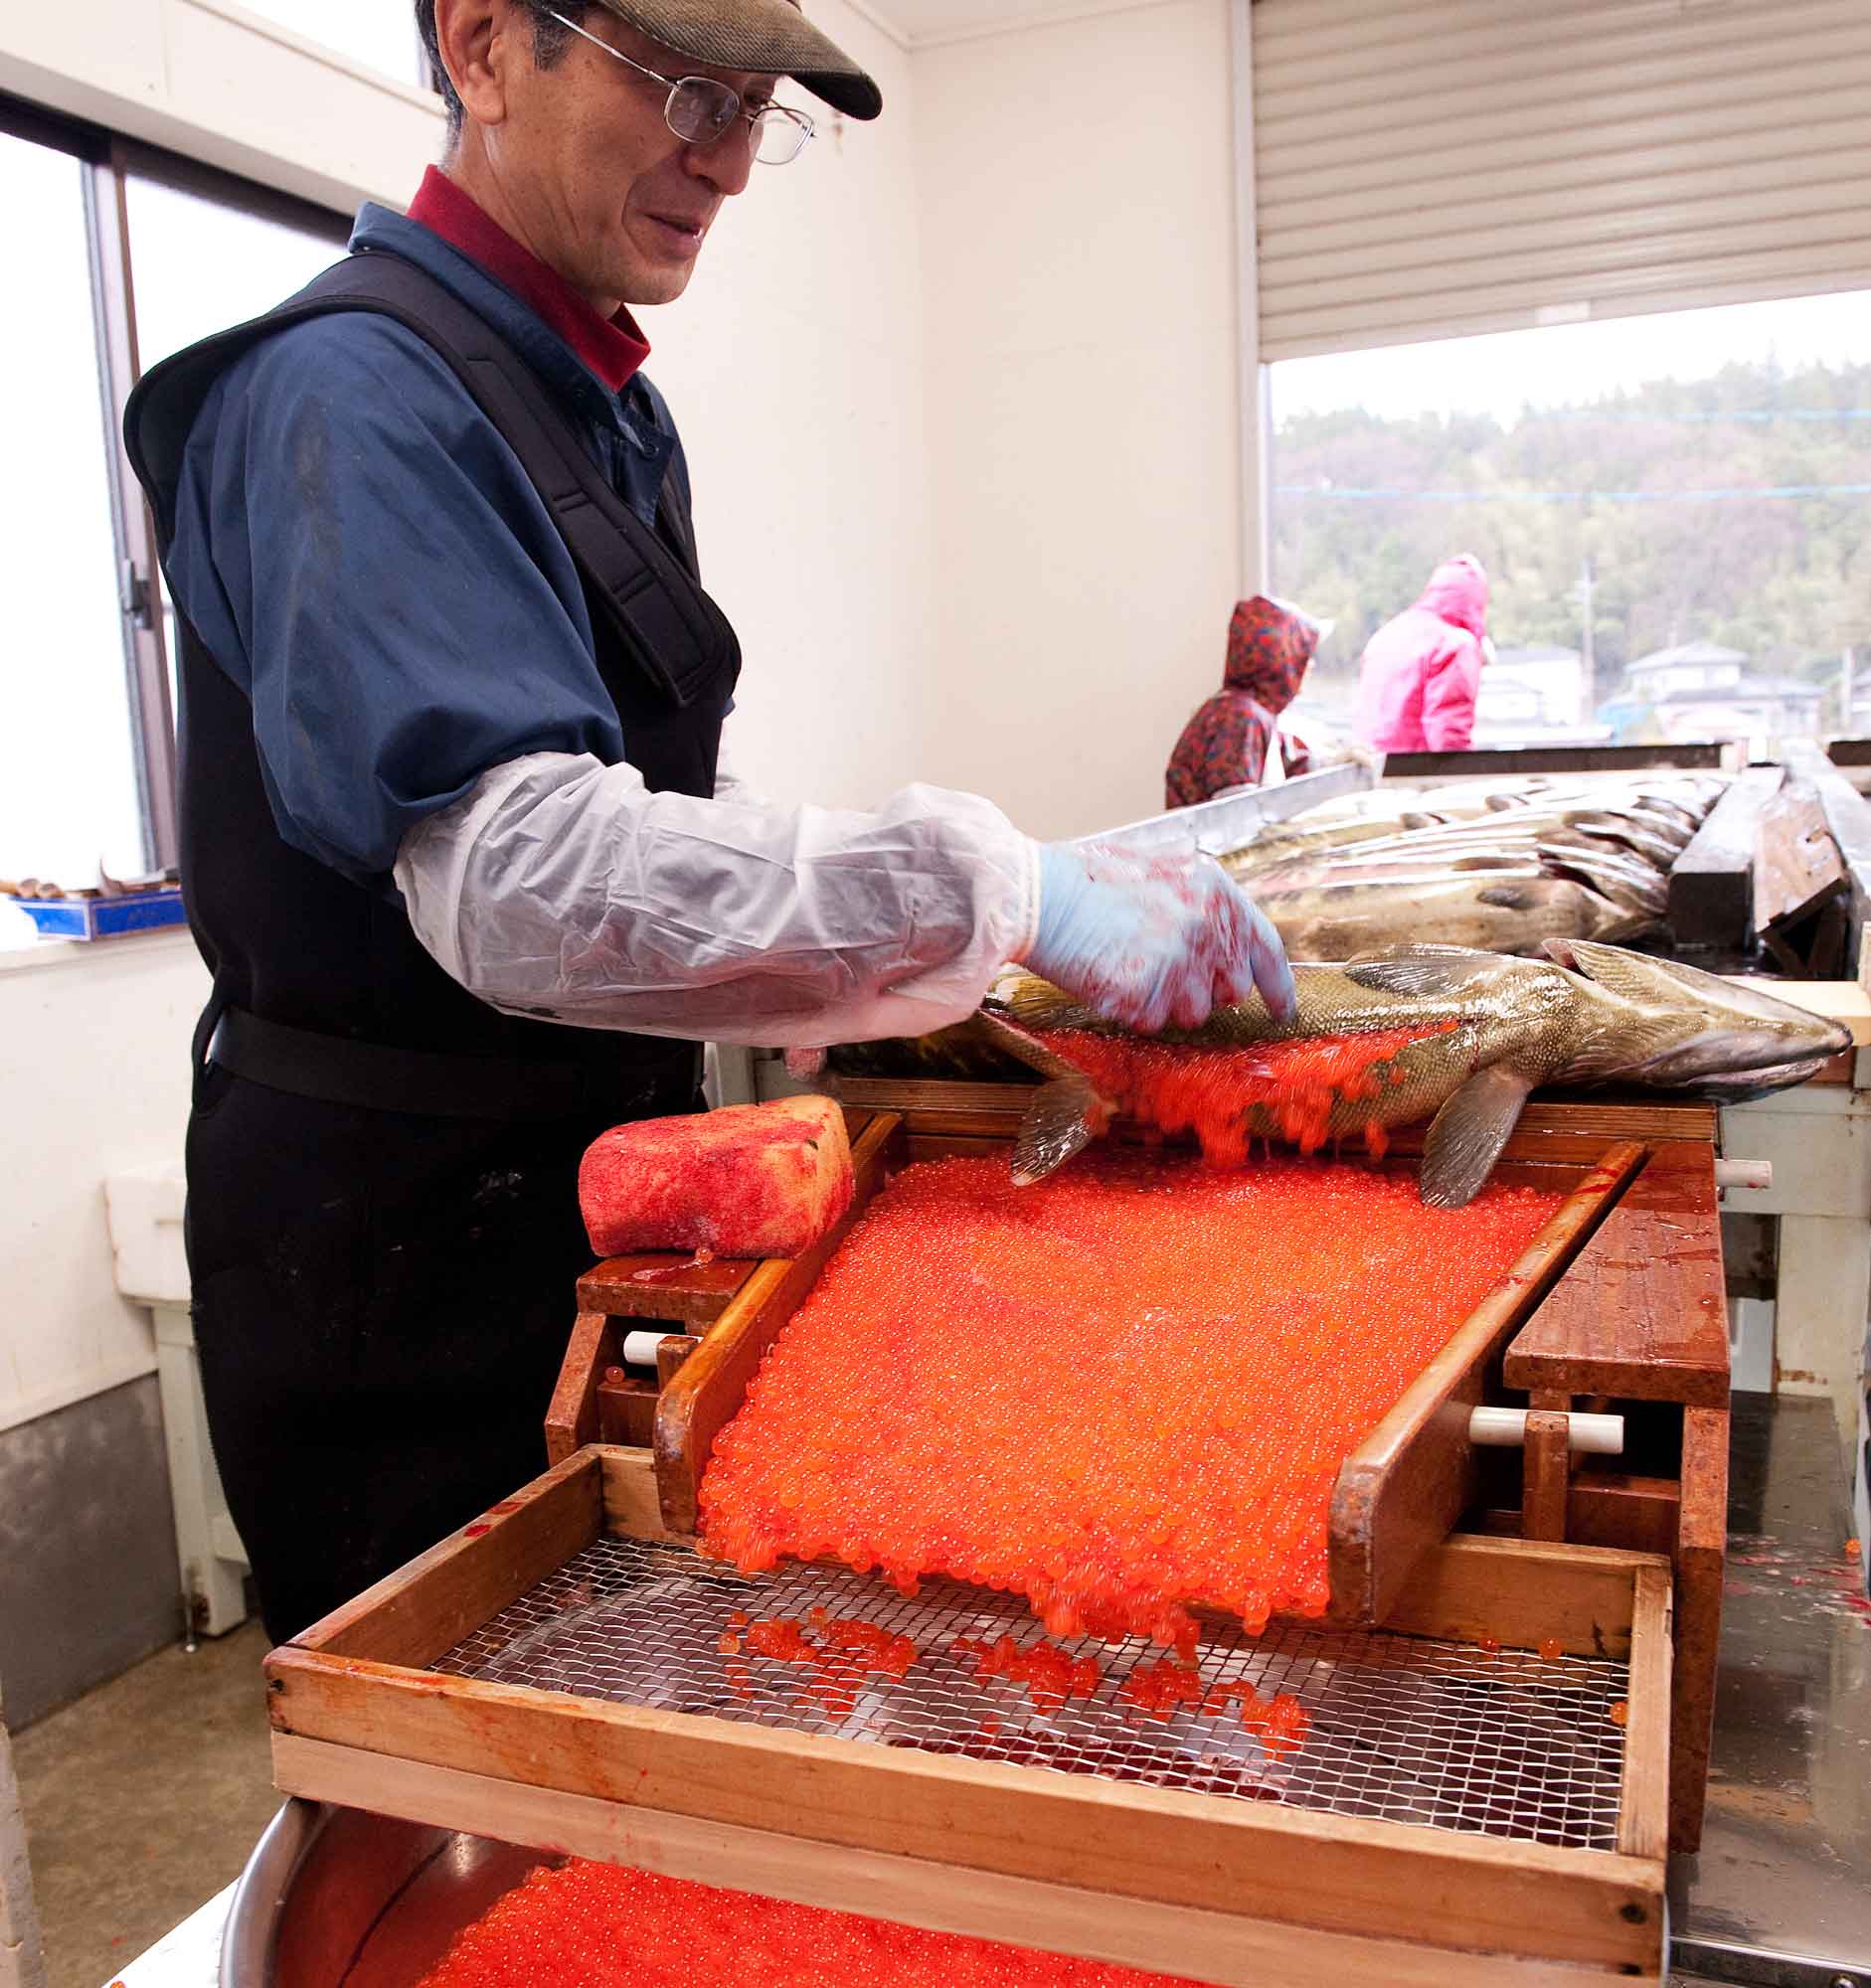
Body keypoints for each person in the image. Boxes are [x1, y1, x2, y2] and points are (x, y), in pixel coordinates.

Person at [122, 0, 1295, 1641]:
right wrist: (992, 889)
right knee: (471, 1787)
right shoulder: (349, 402)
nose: (728, 159)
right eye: (680, 87)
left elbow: (631, 799)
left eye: (758, 109)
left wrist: (814, 967)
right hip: (393, 1263)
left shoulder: (601, 406)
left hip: (606, 1195)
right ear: (479, 44)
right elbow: (521, 882)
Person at [1164, 596, 1325, 809]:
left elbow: (1291, 762)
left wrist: (1334, 763)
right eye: (1303, 656)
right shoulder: (1239, 718)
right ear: (1281, 662)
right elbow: (1238, 815)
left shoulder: (1245, 711)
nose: (1310, 666)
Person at [1352, 555, 1491, 753]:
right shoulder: (1455, 644)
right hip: (1415, 773)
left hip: (1371, 769)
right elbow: (1449, 739)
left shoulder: (1388, 633)